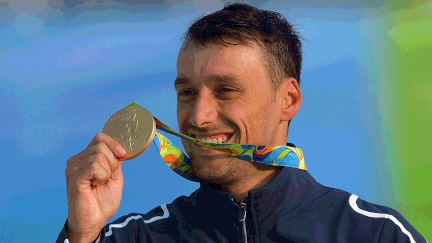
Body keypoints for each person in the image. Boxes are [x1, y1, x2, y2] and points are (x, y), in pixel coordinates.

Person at [56, 3, 427, 243]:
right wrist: (83, 233)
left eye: (226, 90)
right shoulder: (134, 238)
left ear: (289, 100)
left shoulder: (371, 233)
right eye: (187, 93)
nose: (198, 117)